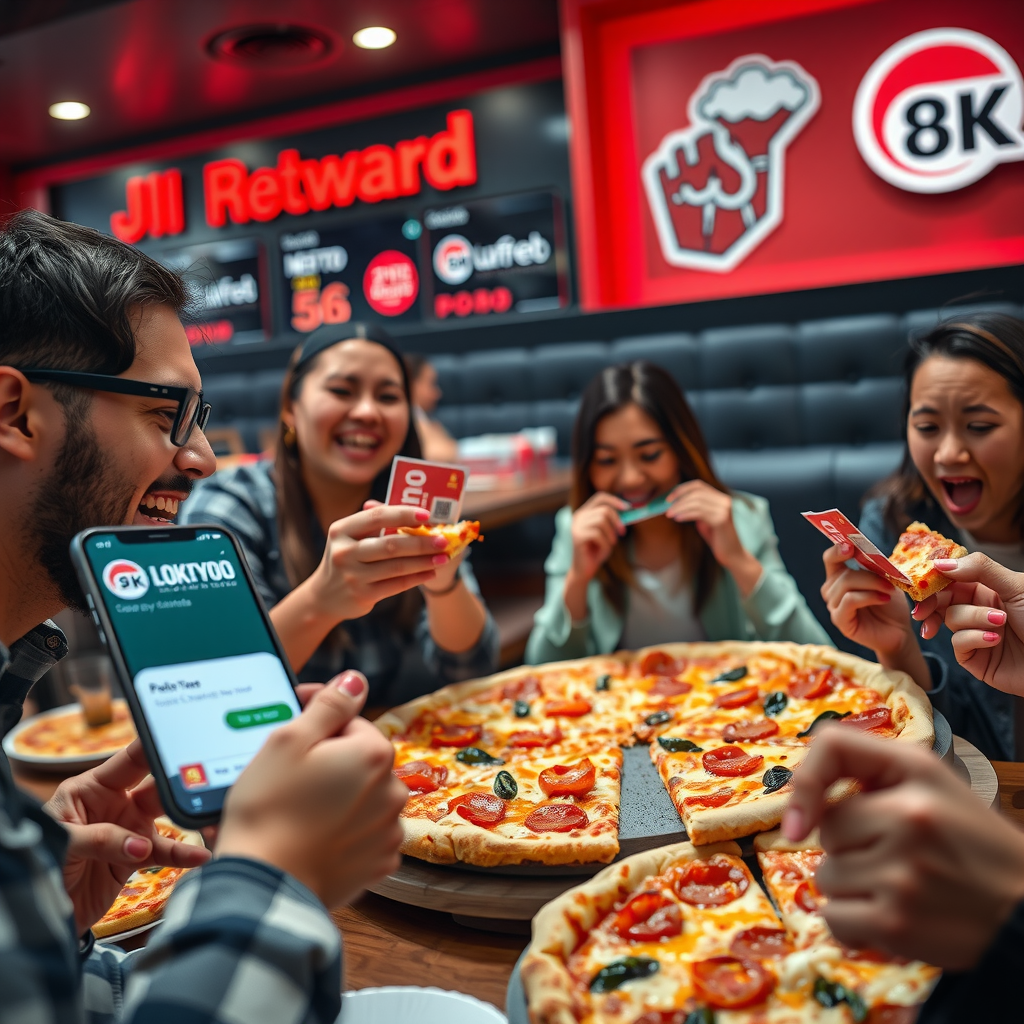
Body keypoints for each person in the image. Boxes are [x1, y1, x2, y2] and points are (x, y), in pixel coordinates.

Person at [0, 209, 406, 1023]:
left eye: (200, 420)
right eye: (165, 415)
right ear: (14, 414)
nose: (202, 459)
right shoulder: (247, 508)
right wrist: (270, 877)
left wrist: (40, 917)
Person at [181, 323, 498, 704]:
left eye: (388, 396)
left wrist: (443, 581)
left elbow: (471, 669)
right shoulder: (229, 505)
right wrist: (321, 599)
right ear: (290, 408)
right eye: (341, 391)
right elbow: (218, 688)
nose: (367, 411)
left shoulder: (413, 505)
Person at [785, 549, 1024, 1021]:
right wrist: (898, 649)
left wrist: (1014, 915)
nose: (943, 467)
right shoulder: (894, 518)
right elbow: (968, 737)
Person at [526, 361, 830, 663]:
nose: (631, 478)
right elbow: (539, 668)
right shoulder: (576, 528)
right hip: (616, 708)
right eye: (607, 460)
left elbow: (818, 655)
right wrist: (577, 579)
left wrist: (738, 560)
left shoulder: (739, 517)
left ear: (681, 449)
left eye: (650, 455)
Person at [820, 312, 1024, 760]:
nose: (949, 453)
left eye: (981, 426)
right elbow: (960, 759)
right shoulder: (890, 526)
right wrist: (897, 648)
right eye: (928, 427)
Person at [404, 352, 459, 462]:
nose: (438, 394)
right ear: (411, 385)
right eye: (432, 384)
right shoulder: (408, 414)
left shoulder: (424, 417)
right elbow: (442, 455)